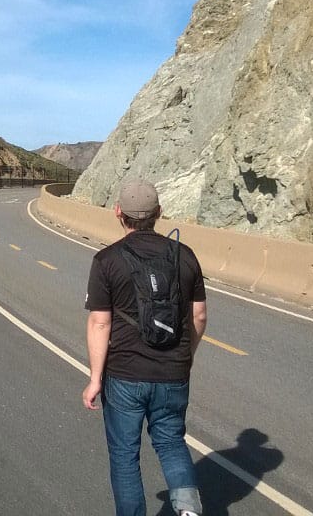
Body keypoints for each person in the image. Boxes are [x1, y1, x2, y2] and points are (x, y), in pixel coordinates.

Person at [82, 179, 207, 516]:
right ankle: (189, 511)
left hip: (124, 376)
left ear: (118, 213)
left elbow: (99, 323)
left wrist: (95, 379)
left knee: (125, 455)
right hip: (173, 372)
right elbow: (198, 316)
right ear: (159, 213)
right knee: (170, 443)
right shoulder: (186, 256)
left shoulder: (107, 260)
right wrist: (186, 357)